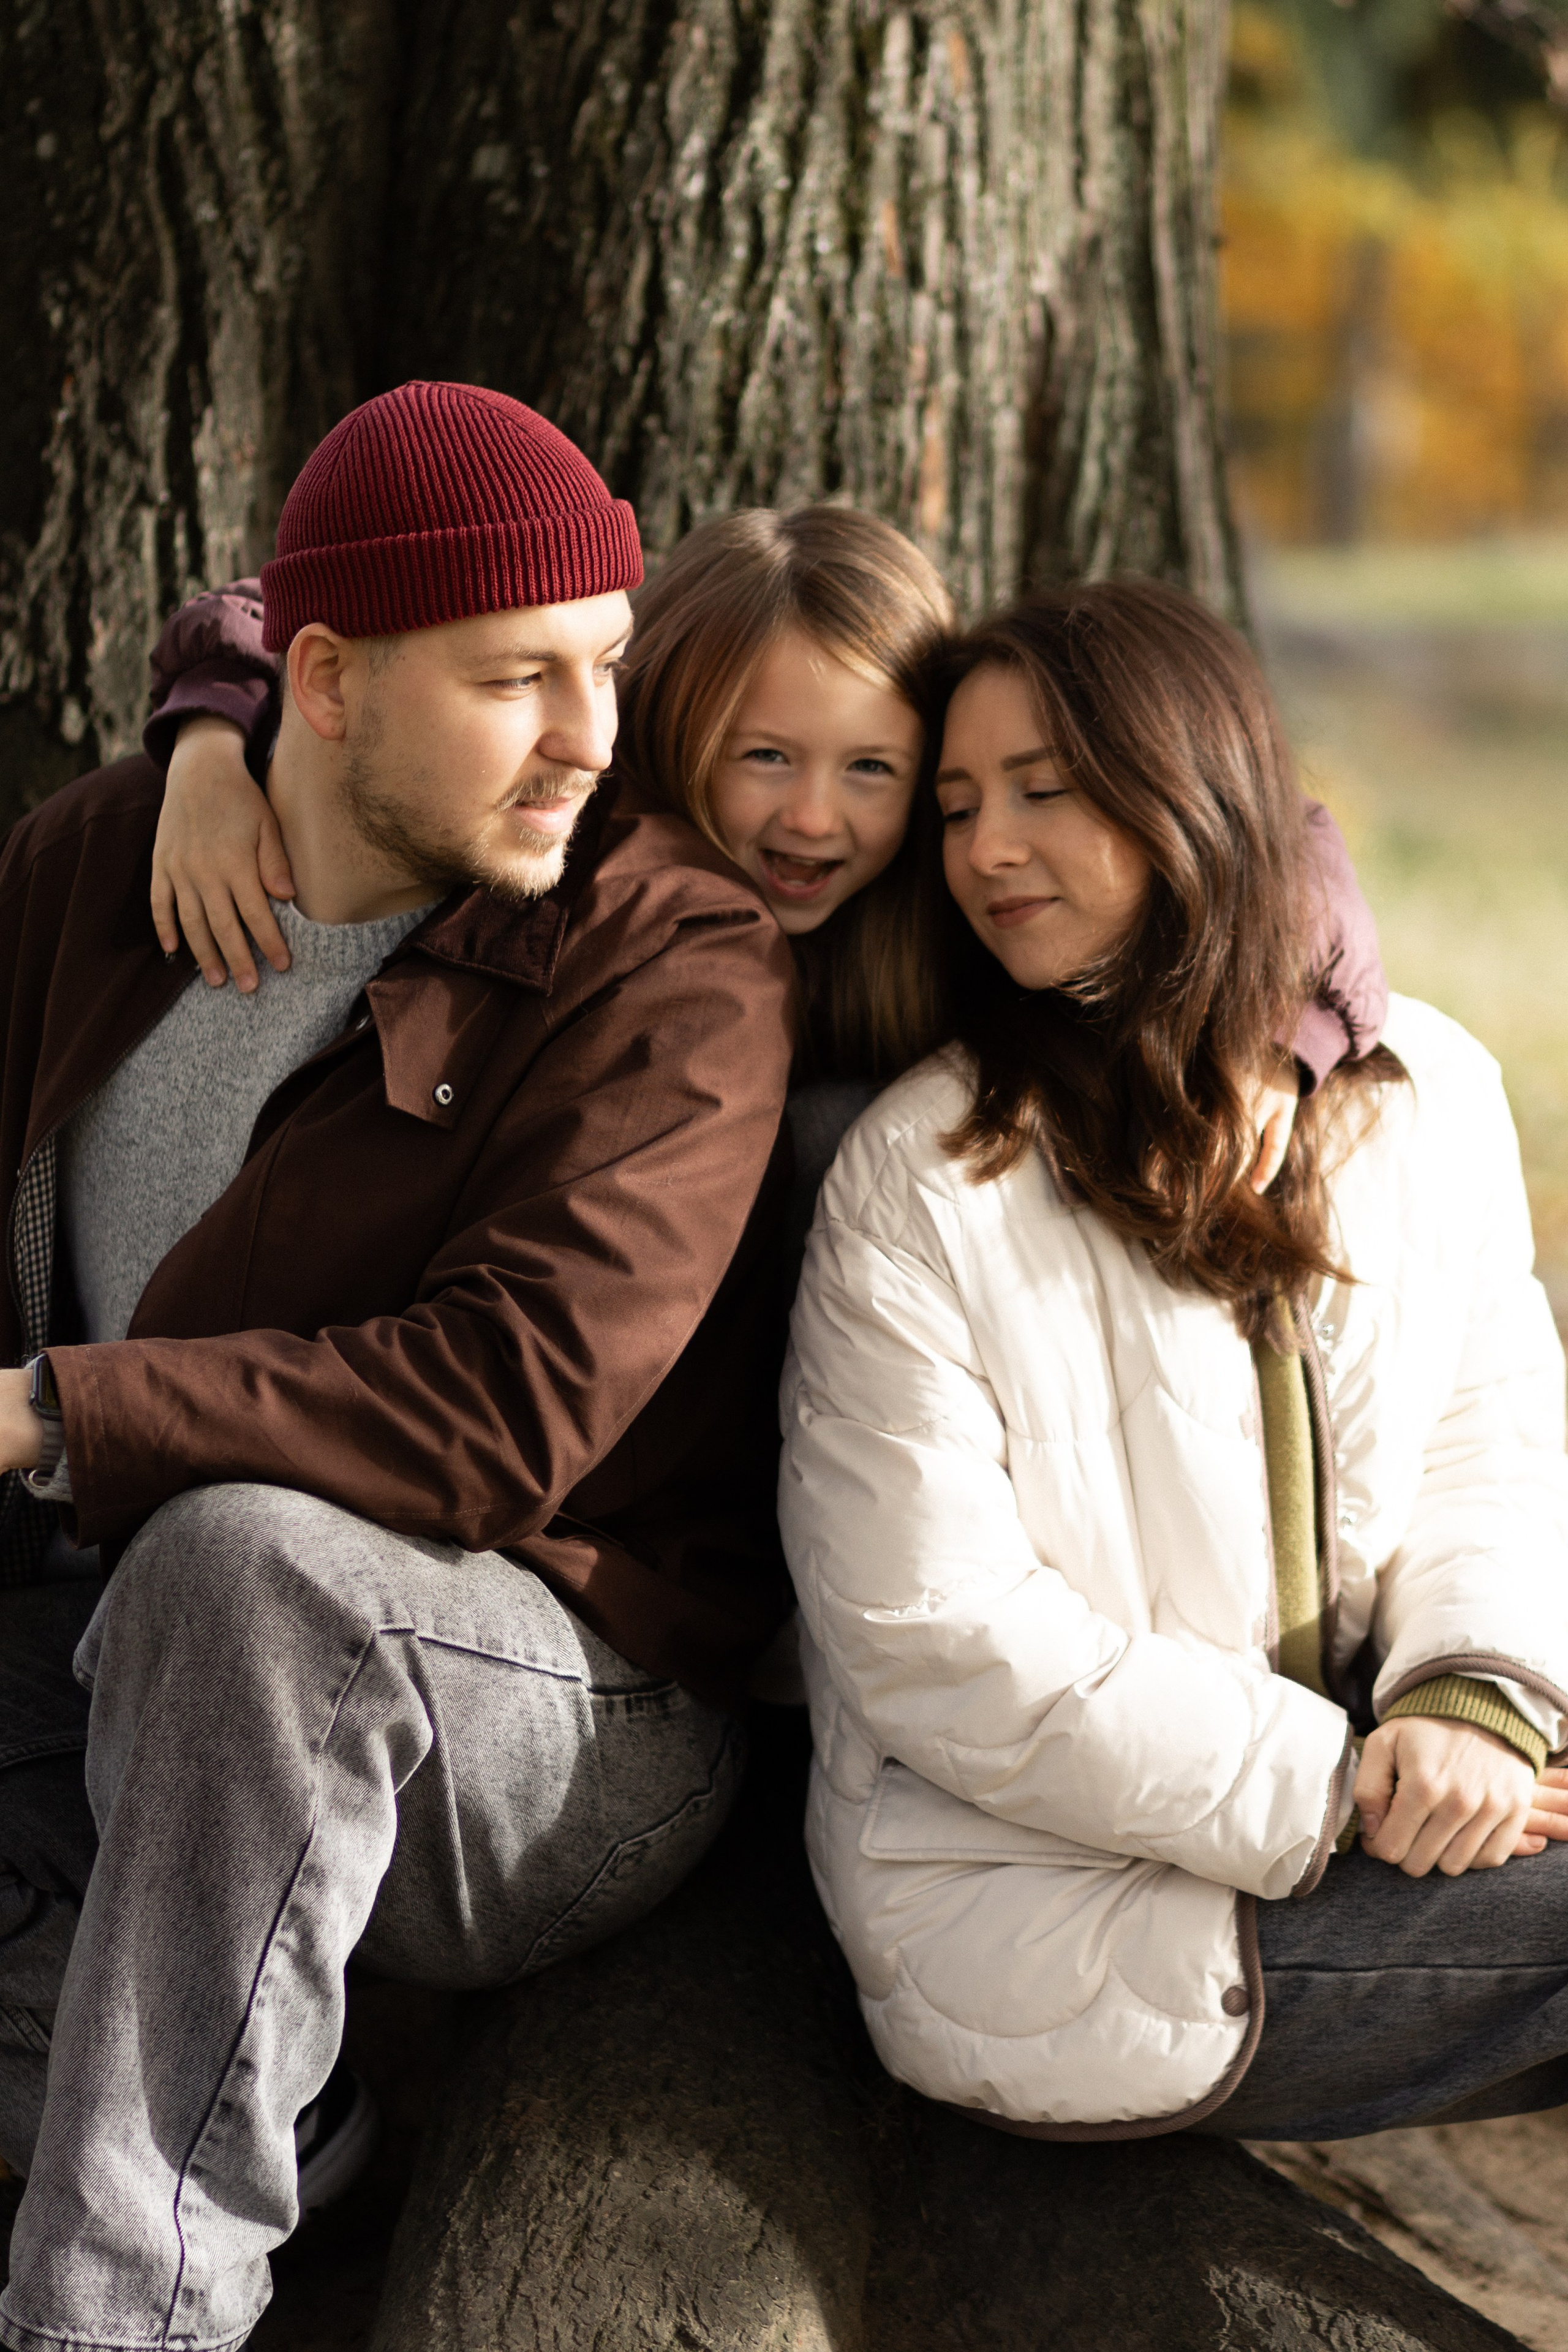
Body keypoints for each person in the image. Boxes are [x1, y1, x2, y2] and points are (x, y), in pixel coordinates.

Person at [0, 380, 799, 2350]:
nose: (593, 741)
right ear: (329, 684)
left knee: (249, 1567)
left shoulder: (670, 958)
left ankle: (126, 2316)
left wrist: (51, 1413)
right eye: (519, 678)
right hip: (88, 1666)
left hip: (541, 1705)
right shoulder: (104, 865)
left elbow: (503, 1410)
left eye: (604, 668)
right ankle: (172, 2045)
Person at [778, 577, 1568, 2144]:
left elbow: (1488, 1434)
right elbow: (932, 1640)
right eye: (953, 806)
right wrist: (1338, 1782)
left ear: (1186, 790)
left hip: (1353, 1808)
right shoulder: (922, 1177)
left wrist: (1468, 1698)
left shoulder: (1423, 1089)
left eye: (1044, 791)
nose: (986, 847)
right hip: (1061, 1913)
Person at [140, 513, 1384, 1219]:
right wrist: (209, 733)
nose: (812, 822)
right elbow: (297, 607)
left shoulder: (955, 883)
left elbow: (1281, 843)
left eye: (872, 773)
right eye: (765, 757)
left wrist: (1279, 1030)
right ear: (680, 723)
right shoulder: (579, 817)